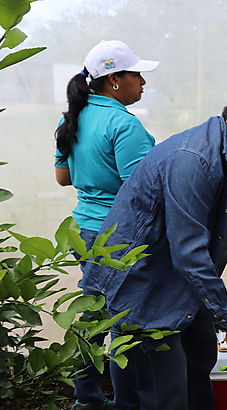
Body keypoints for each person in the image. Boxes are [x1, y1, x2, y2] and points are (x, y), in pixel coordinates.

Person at [80, 73, 227, 410]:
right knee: (160, 394)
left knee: (198, 366)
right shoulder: (194, 160)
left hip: (176, 280)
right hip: (142, 287)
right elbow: (189, 253)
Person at [54, 40, 159, 410]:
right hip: (119, 236)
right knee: (126, 322)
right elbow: (143, 192)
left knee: (95, 312)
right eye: (137, 74)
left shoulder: (72, 117)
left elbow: (63, 177)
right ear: (115, 79)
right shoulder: (123, 124)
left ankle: (87, 399)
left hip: (85, 231)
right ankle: (126, 402)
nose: (143, 81)